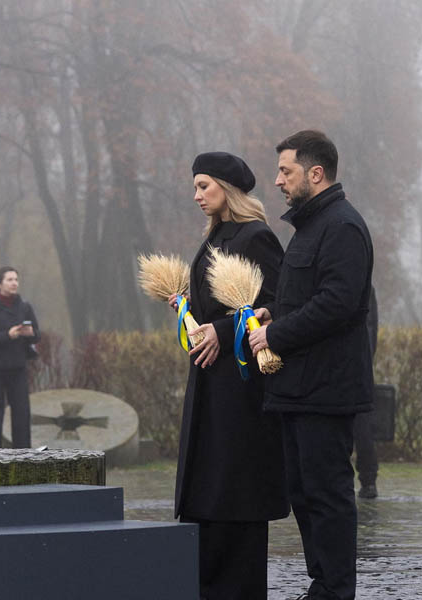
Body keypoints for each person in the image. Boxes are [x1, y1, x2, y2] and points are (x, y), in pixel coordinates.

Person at [249, 130, 374, 600]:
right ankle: (321, 584)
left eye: (286, 171)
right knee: (303, 495)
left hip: (327, 389)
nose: (278, 180)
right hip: (298, 388)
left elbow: (337, 303)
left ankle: (336, 590)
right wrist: (272, 313)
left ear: (315, 173)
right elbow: (305, 299)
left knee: (328, 496)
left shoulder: (342, 226)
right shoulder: (309, 228)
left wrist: (275, 333)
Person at [170, 152, 288, 600]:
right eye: (196, 187)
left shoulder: (255, 236)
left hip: (239, 391)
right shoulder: (216, 235)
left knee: (233, 490)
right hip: (211, 383)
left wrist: (220, 329)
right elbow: (215, 308)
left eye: (204, 186)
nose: (197, 195)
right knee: (210, 488)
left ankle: (233, 587)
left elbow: (276, 301)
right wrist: (187, 312)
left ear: (228, 188)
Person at [0, 267, 40, 448]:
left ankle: (23, 456)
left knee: (21, 413)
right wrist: (7, 335)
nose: (14, 283)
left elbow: (37, 335)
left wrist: (30, 333)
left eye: (16, 280)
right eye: (9, 280)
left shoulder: (25, 307)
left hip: (18, 368)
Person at [354, 287, 379, 499]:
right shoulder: (367, 290)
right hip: (360, 369)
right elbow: (372, 331)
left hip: (355, 370)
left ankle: (368, 479)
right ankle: (368, 480)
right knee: (363, 429)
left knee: (361, 430)